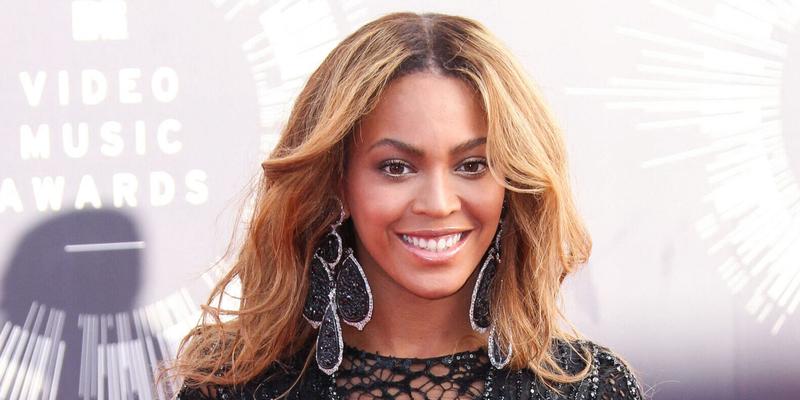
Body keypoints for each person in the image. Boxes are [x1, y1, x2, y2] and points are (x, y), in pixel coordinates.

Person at [164, 12, 644, 400]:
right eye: (397, 167)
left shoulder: (590, 388)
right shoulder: (234, 388)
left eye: (473, 165)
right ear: (338, 181)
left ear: (512, 182)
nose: (438, 204)